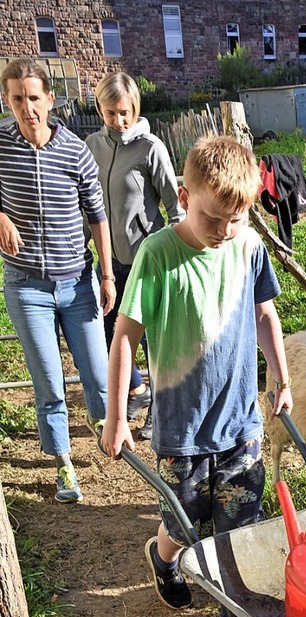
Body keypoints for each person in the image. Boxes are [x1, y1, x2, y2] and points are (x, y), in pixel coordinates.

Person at [101, 135, 292, 617]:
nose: (225, 231)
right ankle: (164, 561)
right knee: (184, 526)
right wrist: (118, 416)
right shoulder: (158, 254)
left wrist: (282, 378)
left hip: (240, 426)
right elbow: (125, 337)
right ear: (184, 196)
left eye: (238, 218)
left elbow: (264, 316)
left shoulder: (249, 246)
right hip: (181, 426)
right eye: (214, 218)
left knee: (240, 531)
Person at [0, 58, 115, 503]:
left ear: (50, 99)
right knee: (48, 381)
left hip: (78, 282)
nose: (27, 108)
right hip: (26, 284)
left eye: (33, 98)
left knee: (99, 376)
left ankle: (106, 426)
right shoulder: (2, 146)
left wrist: (106, 274)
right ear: (7, 101)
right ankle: (63, 463)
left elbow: (97, 216)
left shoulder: (74, 150)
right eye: (17, 98)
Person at [86, 71, 185, 440]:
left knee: (153, 339)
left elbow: (176, 208)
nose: (119, 120)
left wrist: (176, 253)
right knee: (114, 334)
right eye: (111, 113)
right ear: (100, 108)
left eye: (125, 112)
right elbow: (88, 204)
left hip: (148, 259)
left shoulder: (150, 148)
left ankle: (158, 409)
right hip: (109, 262)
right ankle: (137, 389)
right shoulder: (92, 146)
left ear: (135, 108)